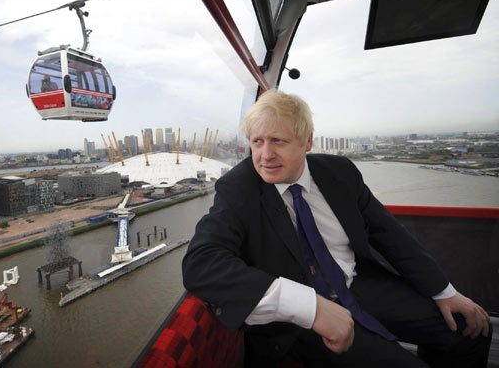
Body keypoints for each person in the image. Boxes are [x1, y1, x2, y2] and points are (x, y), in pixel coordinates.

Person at [182, 89, 492, 367]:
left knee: (472, 330)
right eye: (257, 142)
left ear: (308, 141)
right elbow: (201, 263)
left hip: (357, 284)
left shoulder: (339, 172)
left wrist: (444, 291)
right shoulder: (239, 188)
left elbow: (390, 234)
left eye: (278, 140)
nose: (265, 156)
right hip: (298, 321)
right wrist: (311, 306)